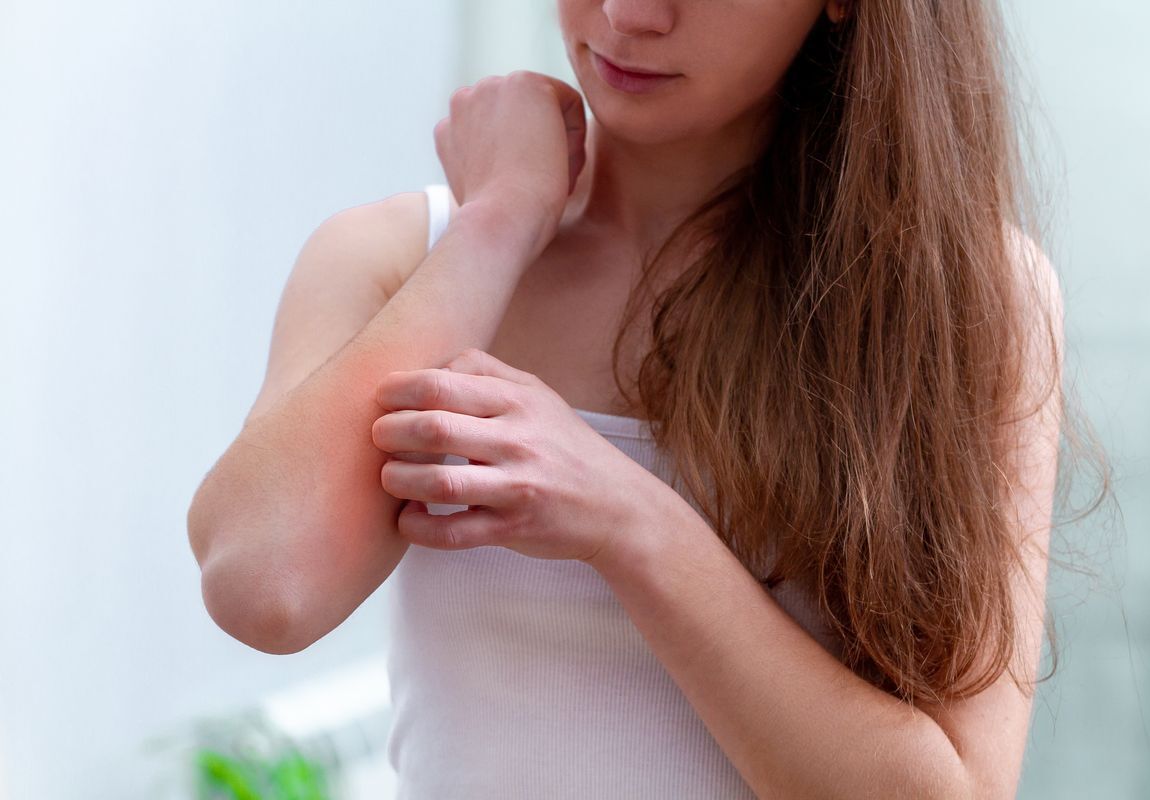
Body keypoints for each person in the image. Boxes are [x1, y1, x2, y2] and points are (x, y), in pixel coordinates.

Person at [189, 1, 1099, 797]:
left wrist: (626, 520)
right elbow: (265, 587)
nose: (628, 15)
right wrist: (501, 221)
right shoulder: (402, 256)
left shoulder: (960, 299)